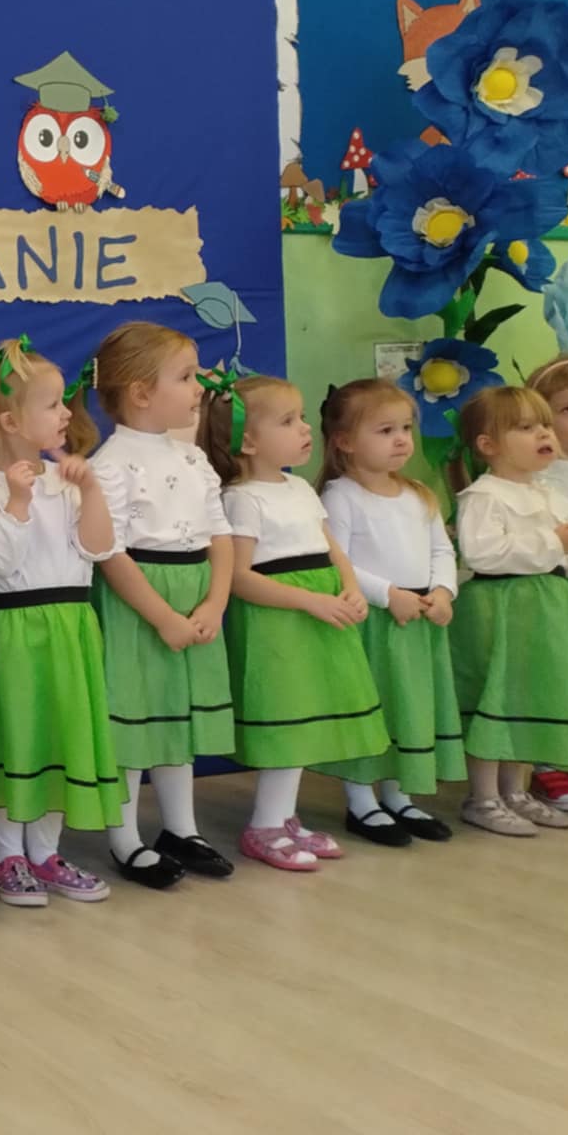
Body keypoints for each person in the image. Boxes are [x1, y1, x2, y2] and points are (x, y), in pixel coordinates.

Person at [198, 371, 388, 870]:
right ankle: (263, 825)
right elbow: (239, 576)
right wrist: (308, 602)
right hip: (279, 625)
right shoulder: (242, 498)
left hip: (322, 616)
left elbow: (332, 549)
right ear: (247, 441)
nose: (305, 428)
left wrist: (349, 587)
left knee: (308, 721)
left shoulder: (301, 488)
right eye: (288, 421)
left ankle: (283, 817)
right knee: (287, 722)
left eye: (302, 417)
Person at [0, 338, 122, 906]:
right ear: (10, 421)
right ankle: (9, 855)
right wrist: (17, 501)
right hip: (16, 630)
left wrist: (91, 490)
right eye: (53, 405)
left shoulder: (68, 480)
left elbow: (98, 549)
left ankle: (46, 853)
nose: (66, 415)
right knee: (20, 737)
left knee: (61, 735)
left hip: (72, 626)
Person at [85, 322, 235, 889]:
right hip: (142, 604)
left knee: (178, 715)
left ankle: (181, 828)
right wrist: (163, 617)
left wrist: (214, 603)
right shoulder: (110, 464)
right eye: (187, 376)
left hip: (194, 592)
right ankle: (125, 838)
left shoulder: (192, 459)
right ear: (141, 392)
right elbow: (110, 552)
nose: (199, 388)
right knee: (136, 717)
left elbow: (220, 534)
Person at [313, 379, 460, 845]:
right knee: (372, 709)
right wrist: (387, 594)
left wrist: (443, 592)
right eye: (385, 430)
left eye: (405, 428)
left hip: (418, 619)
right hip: (372, 621)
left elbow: (441, 550)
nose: (401, 440)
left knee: (408, 708)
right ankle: (362, 802)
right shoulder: (340, 495)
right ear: (344, 441)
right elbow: (336, 561)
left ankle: (399, 796)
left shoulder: (418, 494)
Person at [445, 386, 568, 835]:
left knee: (524, 697)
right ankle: (483, 797)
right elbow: (482, 553)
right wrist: (554, 542)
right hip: (501, 608)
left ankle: (516, 791)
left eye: (545, 424)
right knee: (496, 697)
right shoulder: (484, 496)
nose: (544, 434)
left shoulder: (546, 494)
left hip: (543, 610)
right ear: (488, 445)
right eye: (527, 427)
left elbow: (567, 557)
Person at [526, 355, 568, 811]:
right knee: (558, 674)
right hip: (560, 591)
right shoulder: (537, 477)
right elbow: (544, 544)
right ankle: (548, 762)